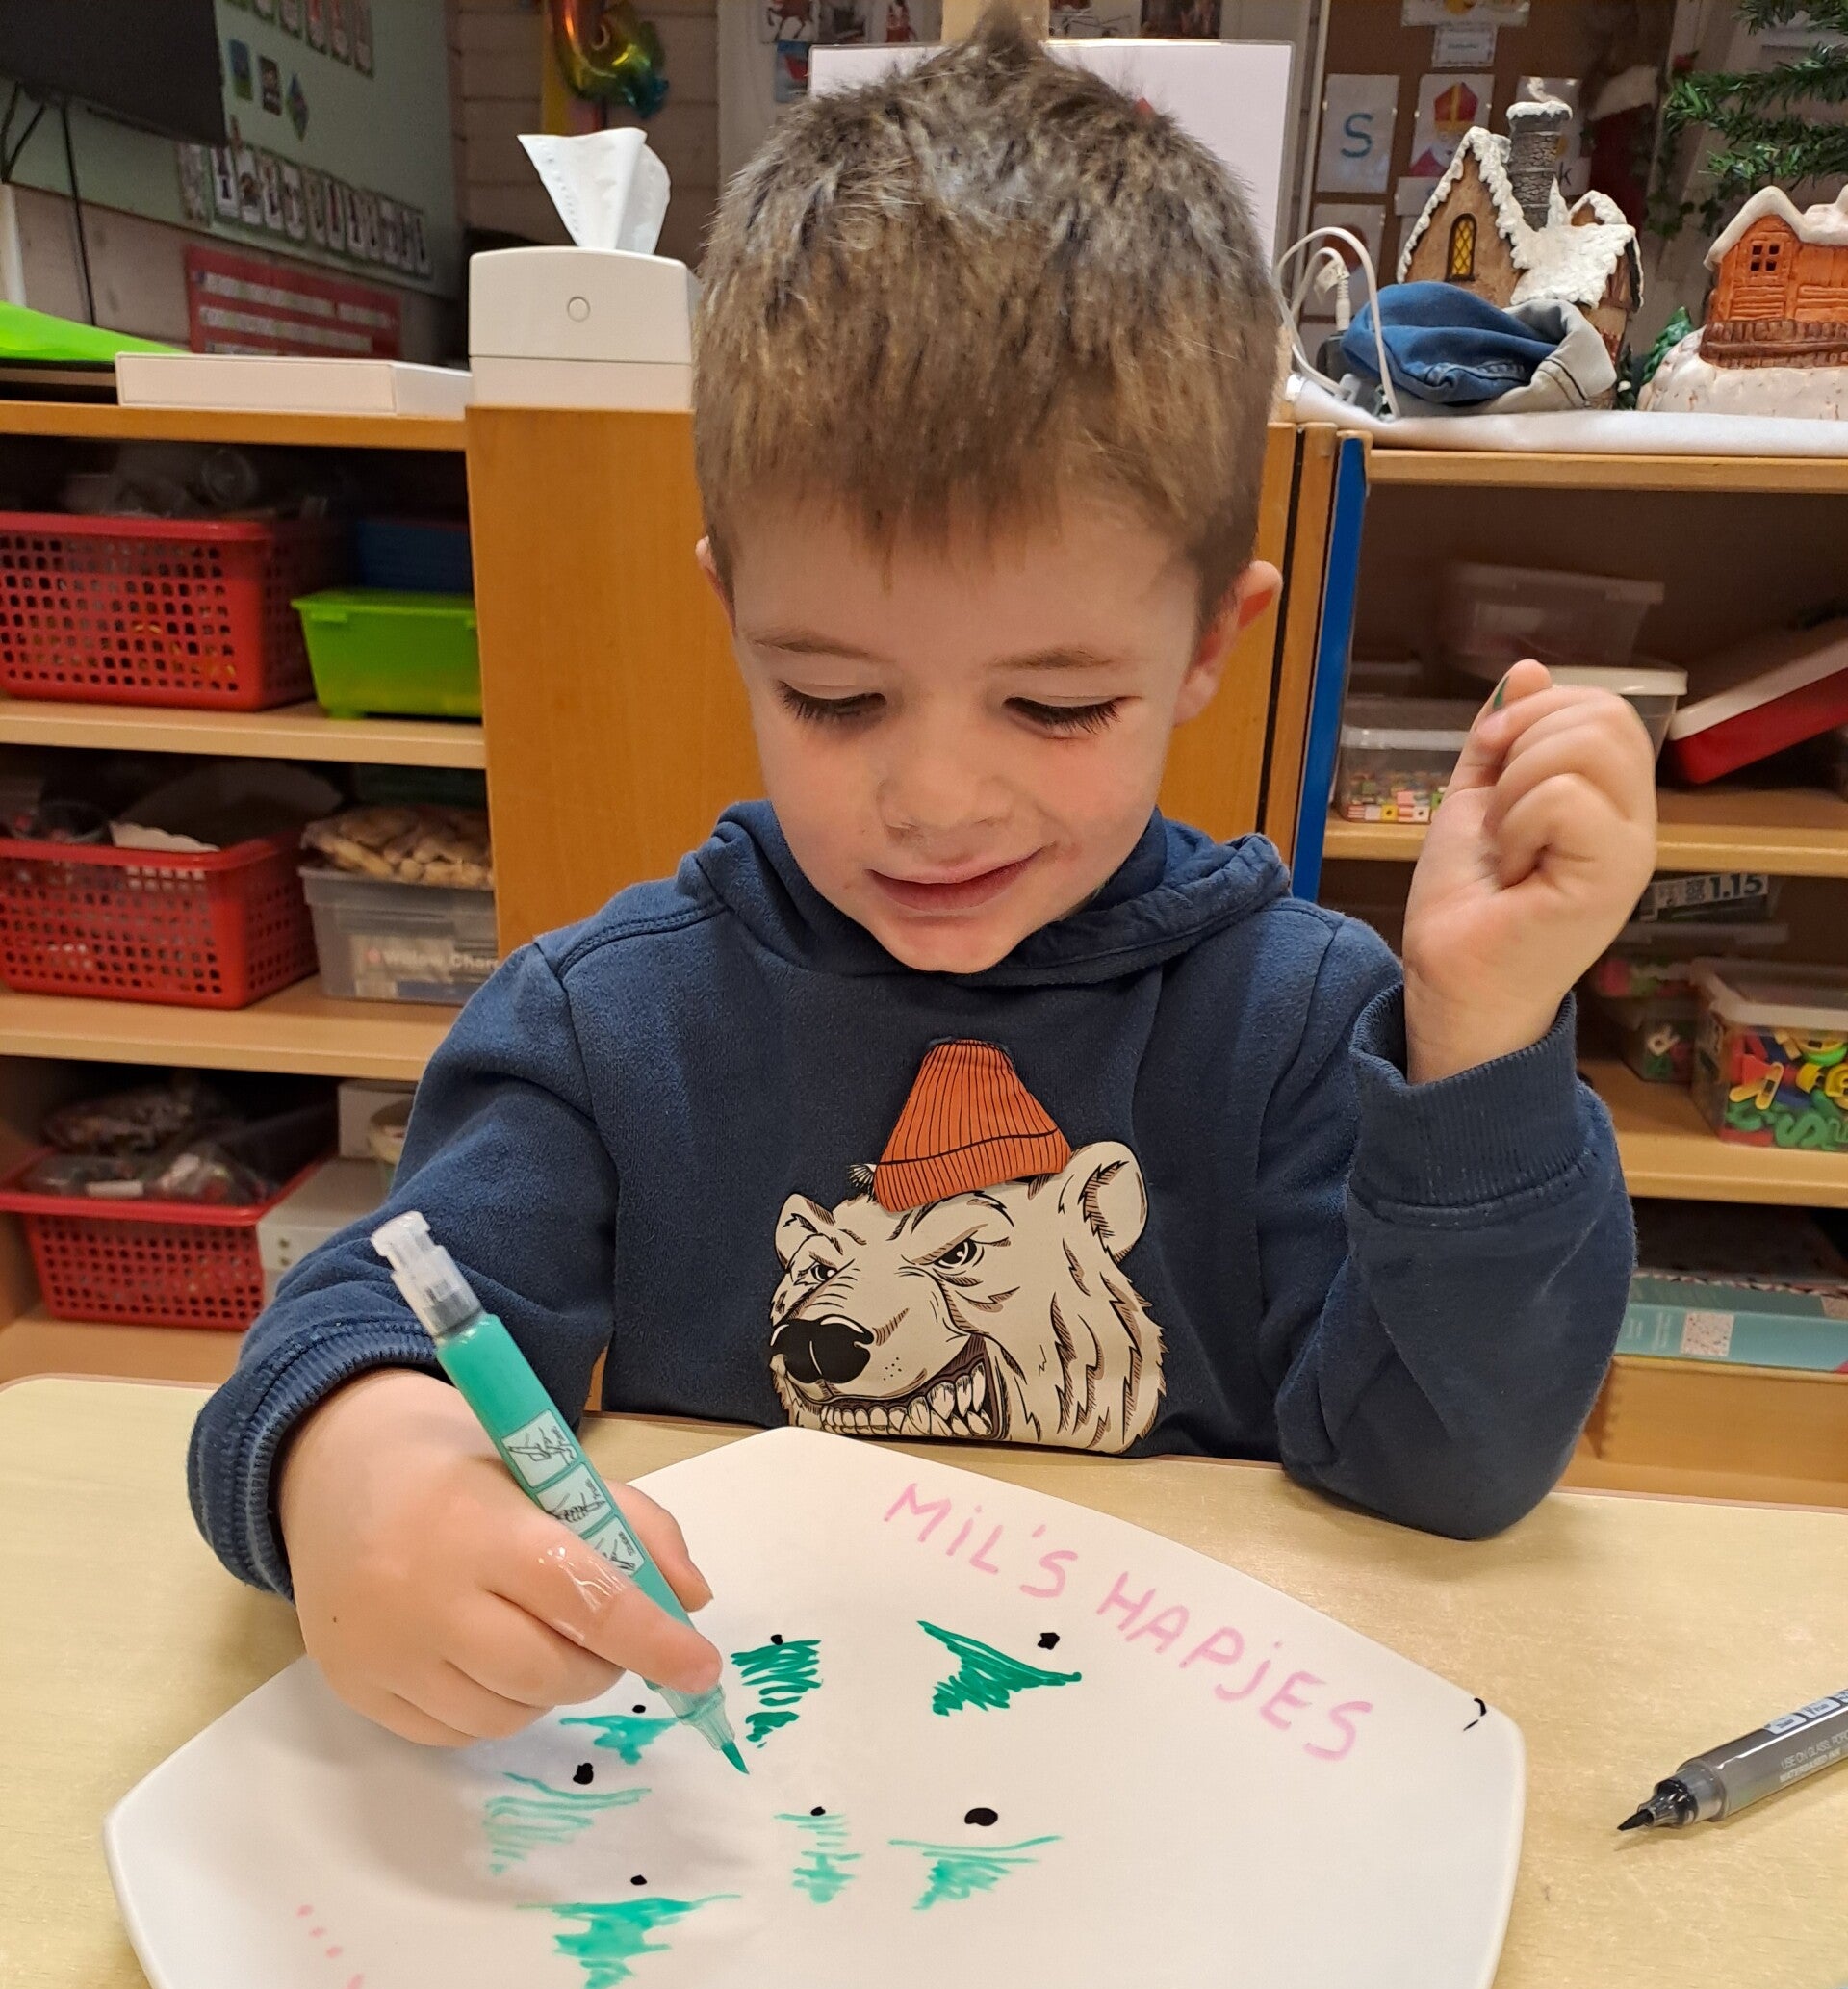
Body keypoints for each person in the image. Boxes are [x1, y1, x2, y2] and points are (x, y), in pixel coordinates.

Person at [191, 12, 1656, 1747]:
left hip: (1157, 1772)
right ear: (733, 612)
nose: (936, 802)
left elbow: (1454, 1472)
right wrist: (371, 1471)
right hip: (754, 1773)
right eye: (834, 696)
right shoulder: (607, 1028)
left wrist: (1481, 1039)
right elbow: (371, 1321)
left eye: (1055, 704)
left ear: (1209, 644)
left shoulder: (1309, 1026)